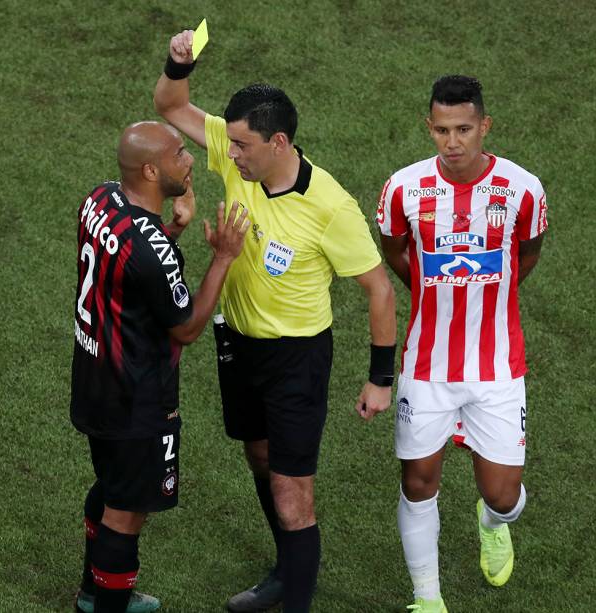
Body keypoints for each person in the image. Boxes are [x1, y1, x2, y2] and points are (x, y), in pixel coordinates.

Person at [153, 29, 397, 613]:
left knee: (293, 497)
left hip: (296, 358)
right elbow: (169, 105)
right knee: (259, 458)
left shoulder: (331, 207)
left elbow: (379, 289)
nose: (228, 155)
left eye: (240, 146)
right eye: (229, 144)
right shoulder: (241, 160)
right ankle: (287, 571)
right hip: (237, 343)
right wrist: (178, 61)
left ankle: (294, 597)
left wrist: (380, 379)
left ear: (278, 141)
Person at [376, 75, 548, 612]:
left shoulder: (523, 188)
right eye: (442, 130)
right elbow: (395, 251)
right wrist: (433, 290)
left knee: (502, 495)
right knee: (419, 482)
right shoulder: (404, 188)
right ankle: (427, 599)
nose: (453, 142)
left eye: (464, 129)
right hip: (425, 367)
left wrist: (485, 294)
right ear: (429, 128)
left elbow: (527, 255)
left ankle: (491, 523)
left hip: (498, 367)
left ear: (484, 127)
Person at [70, 120, 250, 613]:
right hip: (136, 397)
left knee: (112, 486)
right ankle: (107, 602)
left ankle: (92, 592)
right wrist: (222, 258)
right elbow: (186, 327)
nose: (189, 158)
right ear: (150, 170)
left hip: (94, 380)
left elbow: (128, 267)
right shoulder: (153, 251)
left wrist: (170, 229)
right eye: (178, 153)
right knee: (127, 512)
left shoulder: (100, 199)